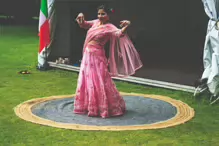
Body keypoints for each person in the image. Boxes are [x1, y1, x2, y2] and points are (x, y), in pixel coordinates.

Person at [73, 5, 143, 118]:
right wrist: (80, 18)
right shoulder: (95, 22)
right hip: (87, 55)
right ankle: (89, 105)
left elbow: (119, 34)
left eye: (103, 14)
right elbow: (84, 24)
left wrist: (127, 25)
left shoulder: (110, 27)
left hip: (97, 56)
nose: (100, 16)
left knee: (99, 80)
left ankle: (104, 107)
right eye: (99, 14)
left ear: (108, 15)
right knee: (87, 79)